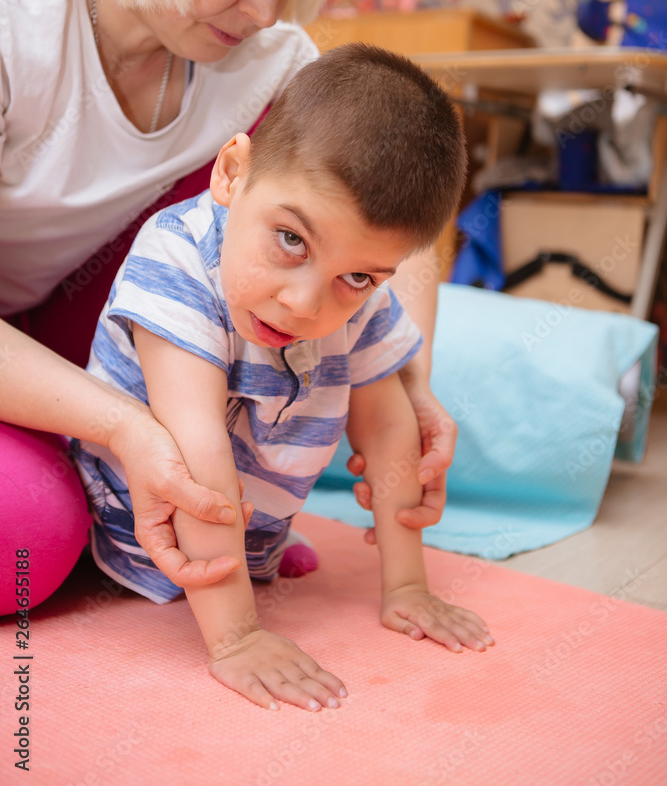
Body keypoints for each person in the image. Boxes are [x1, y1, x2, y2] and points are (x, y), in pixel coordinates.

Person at [0, 0, 456, 603]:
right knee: (22, 536)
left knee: (302, 198)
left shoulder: (265, 58)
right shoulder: (12, 1)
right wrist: (126, 430)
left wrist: (408, 377)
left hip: (68, 327)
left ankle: (192, 519)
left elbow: (396, 219)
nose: (265, 7)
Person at [71, 44, 494, 712]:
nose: (304, 303)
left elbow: (387, 424)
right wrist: (237, 639)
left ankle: (262, 553)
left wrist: (406, 585)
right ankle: (236, 579)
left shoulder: (361, 299)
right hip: (141, 533)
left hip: (249, 524)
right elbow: (194, 452)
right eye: (290, 240)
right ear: (233, 173)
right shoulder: (177, 257)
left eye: (356, 277)